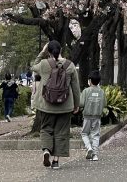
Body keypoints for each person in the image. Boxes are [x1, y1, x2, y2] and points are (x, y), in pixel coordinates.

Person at [32, 40, 80, 170]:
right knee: (62, 132)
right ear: (61, 50)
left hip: (46, 105)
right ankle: (56, 161)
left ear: (48, 51)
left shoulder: (43, 64)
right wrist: (76, 105)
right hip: (65, 105)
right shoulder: (70, 65)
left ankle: (46, 150)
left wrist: (42, 52)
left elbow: (33, 66)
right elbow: (76, 88)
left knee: (46, 129)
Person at [80, 70, 106, 162]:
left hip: (87, 116)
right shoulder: (101, 92)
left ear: (90, 80)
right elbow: (105, 103)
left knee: (84, 133)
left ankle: (89, 148)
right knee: (96, 135)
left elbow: (81, 103)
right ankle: (95, 155)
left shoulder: (86, 91)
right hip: (97, 116)